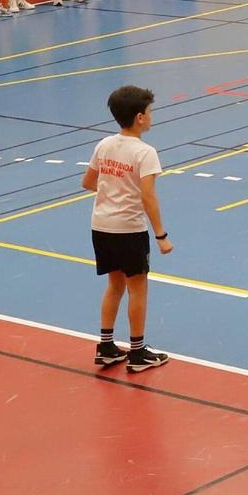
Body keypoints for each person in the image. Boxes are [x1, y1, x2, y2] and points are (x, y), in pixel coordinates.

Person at [83, 84, 173, 373]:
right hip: (129, 230)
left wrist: (112, 188)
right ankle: (137, 352)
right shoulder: (145, 153)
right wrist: (161, 235)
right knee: (138, 288)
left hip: (101, 226)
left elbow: (88, 183)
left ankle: (106, 347)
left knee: (114, 284)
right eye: (149, 111)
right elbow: (148, 196)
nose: (151, 115)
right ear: (140, 118)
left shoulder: (104, 145)